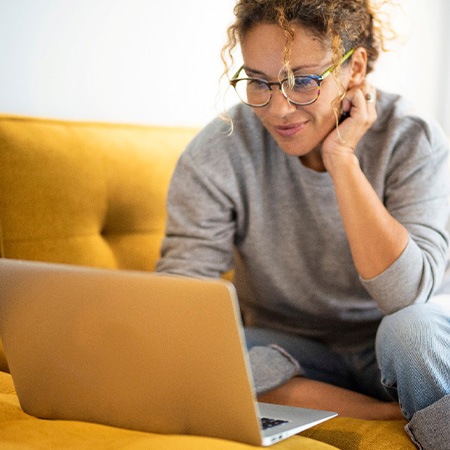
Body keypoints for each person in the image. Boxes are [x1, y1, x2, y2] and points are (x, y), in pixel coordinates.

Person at [156, 0, 450, 447]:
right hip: (289, 352)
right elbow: (182, 296)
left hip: (392, 340)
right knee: (207, 349)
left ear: (355, 70)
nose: (278, 109)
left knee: (414, 333)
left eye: (304, 81)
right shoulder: (219, 151)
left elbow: (406, 296)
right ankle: (383, 411)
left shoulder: (411, 137)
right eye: (258, 82)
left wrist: (342, 161)